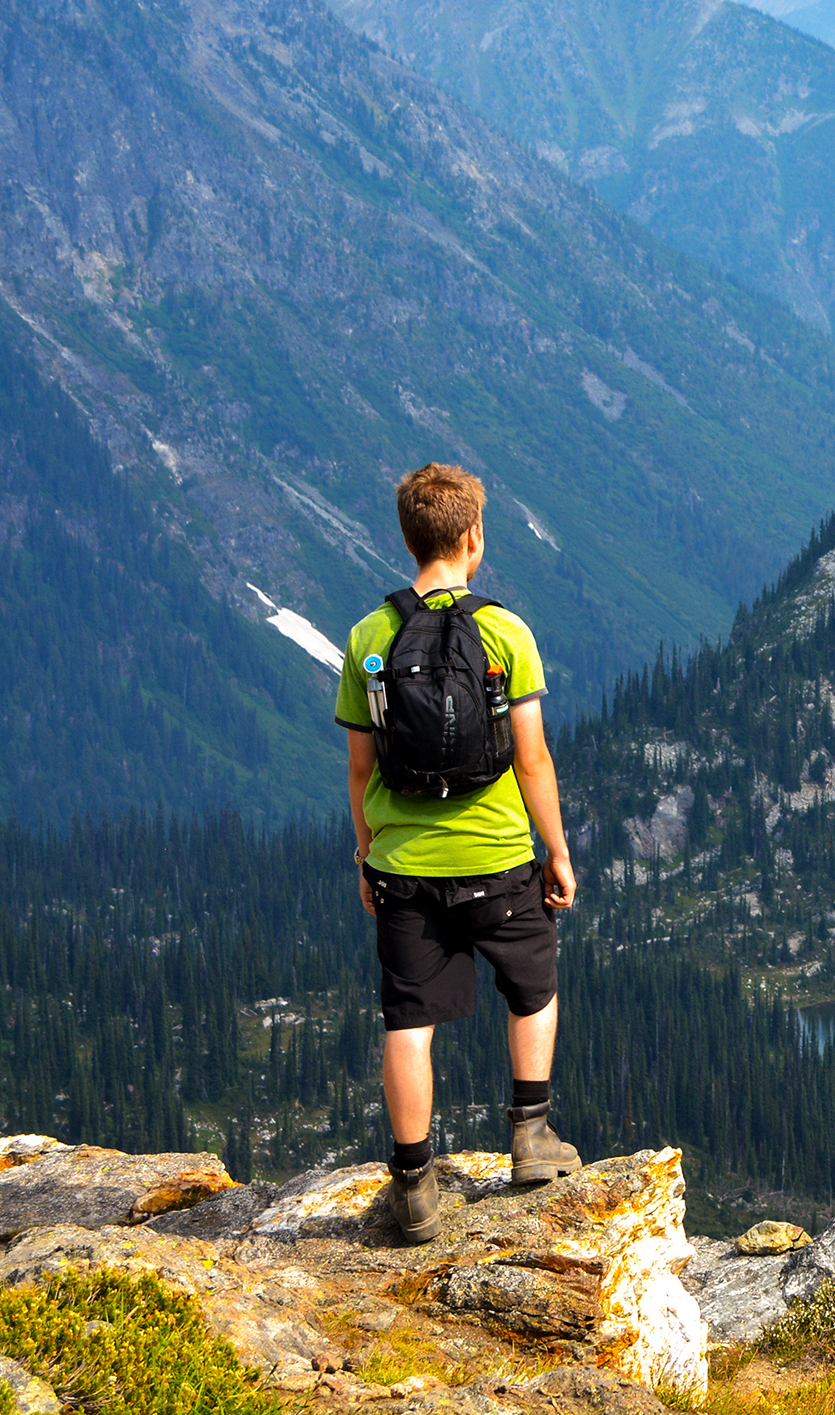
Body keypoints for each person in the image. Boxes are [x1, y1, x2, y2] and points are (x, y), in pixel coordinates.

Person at [336, 463, 580, 1244]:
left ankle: (413, 1184)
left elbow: (360, 766)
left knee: (411, 1019)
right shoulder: (506, 633)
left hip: (405, 868)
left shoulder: (371, 637)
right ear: (473, 538)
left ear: (408, 539)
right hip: (498, 860)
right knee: (533, 985)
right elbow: (532, 759)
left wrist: (368, 851)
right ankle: (532, 1138)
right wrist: (557, 850)